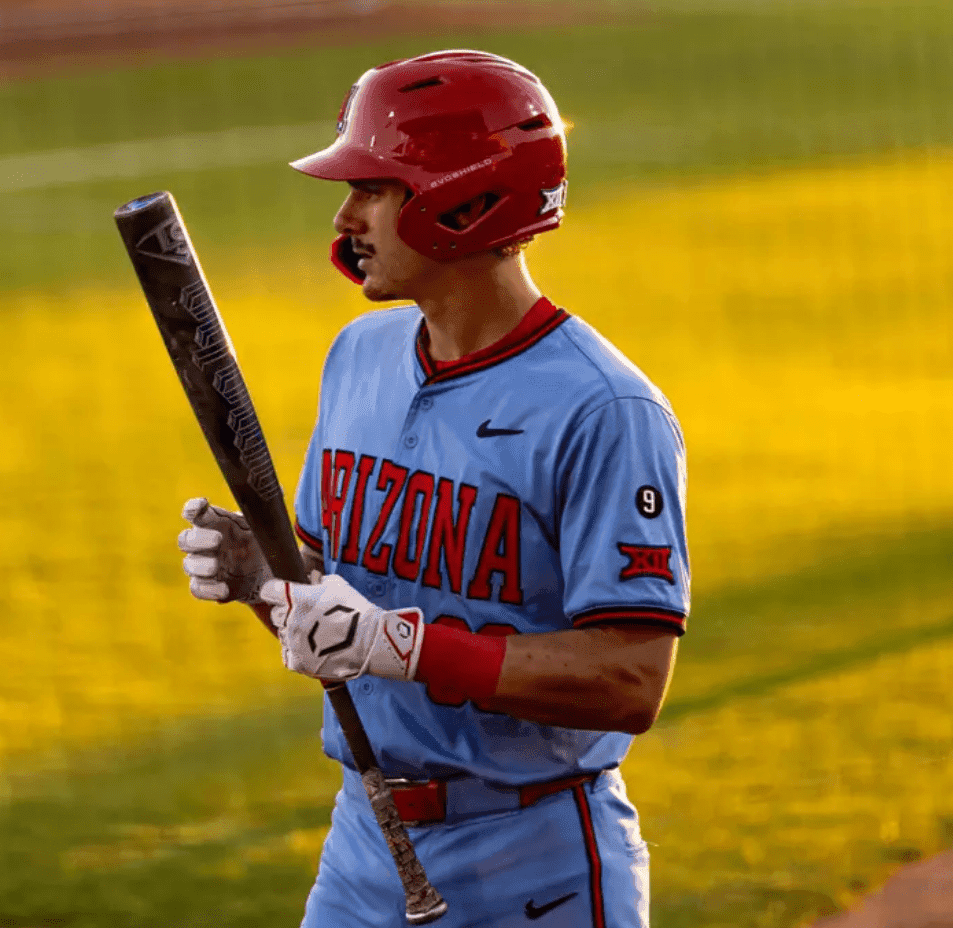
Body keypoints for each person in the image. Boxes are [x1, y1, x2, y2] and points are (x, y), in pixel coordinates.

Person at [177, 49, 689, 928]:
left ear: (461, 201)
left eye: (372, 189)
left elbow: (631, 679)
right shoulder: (359, 356)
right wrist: (265, 580)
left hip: (534, 865)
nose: (345, 218)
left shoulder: (604, 409)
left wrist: (402, 645)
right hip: (364, 844)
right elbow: (335, 615)